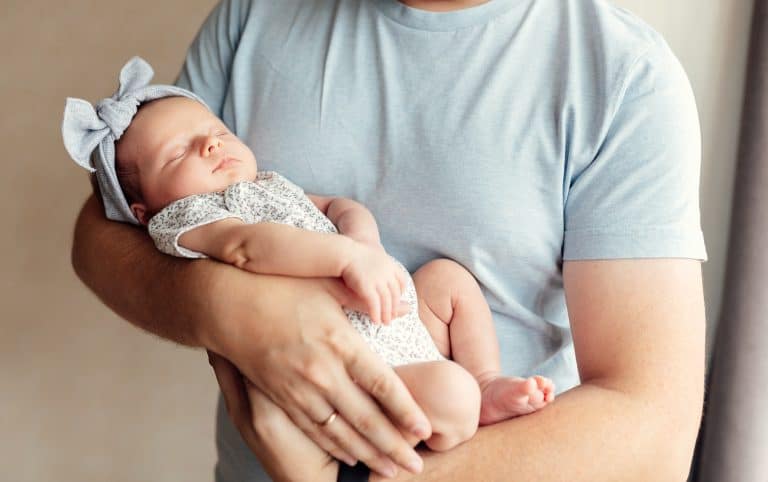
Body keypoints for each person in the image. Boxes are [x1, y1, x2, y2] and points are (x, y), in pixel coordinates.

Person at [70, 0, 708, 481]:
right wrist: (229, 308)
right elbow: (106, 232)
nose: (211, 146)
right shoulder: (255, 12)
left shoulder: (623, 76)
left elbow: (651, 429)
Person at [62, 59, 556, 463]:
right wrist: (344, 258)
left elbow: (339, 207)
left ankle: (487, 379)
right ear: (146, 211)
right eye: (178, 154)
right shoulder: (191, 218)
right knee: (451, 393)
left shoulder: (269, 185)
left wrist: (364, 241)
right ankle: (441, 415)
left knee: (448, 281)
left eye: (214, 131)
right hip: (355, 365)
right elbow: (246, 247)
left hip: (394, 318)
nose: (209, 144)